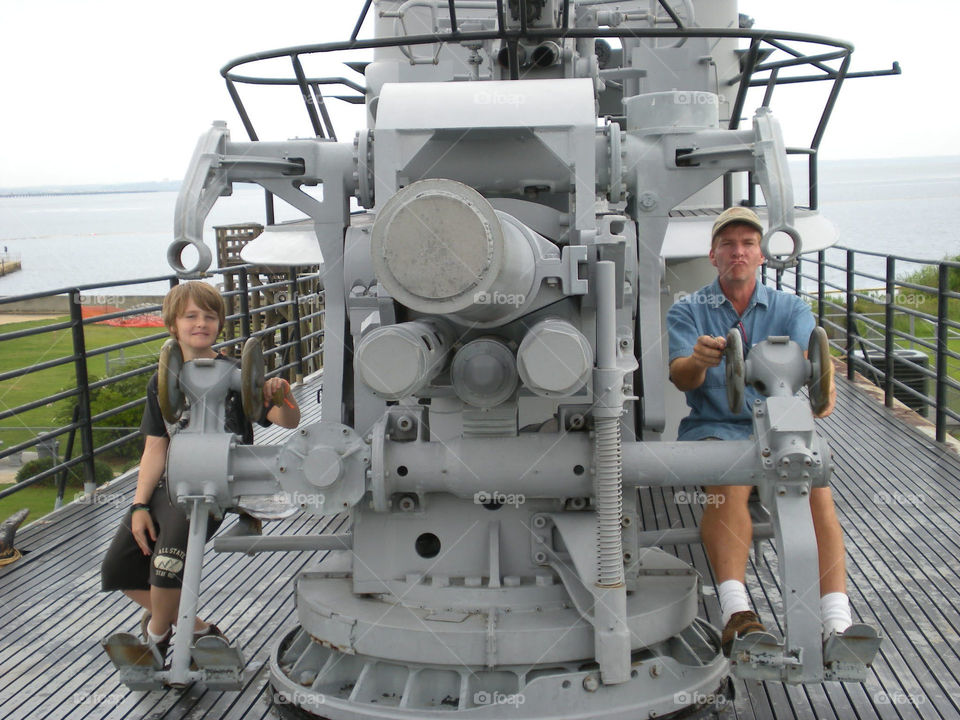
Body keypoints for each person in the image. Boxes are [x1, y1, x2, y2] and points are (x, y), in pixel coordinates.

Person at [667, 206, 848, 656]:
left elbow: (815, 362)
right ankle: (737, 612)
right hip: (715, 425)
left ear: (761, 255)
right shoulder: (688, 311)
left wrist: (826, 387)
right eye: (728, 244)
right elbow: (680, 377)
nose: (738, 252)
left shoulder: (791, 310)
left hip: (783, 426)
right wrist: (699, 362)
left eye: (748, 244)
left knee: (817, 492)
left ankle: (838, 621)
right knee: (729, 482)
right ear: (713, 255)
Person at [101, 281, 300, 659]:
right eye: (190, 315)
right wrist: (139, 506)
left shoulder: (238, 375)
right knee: (118, 571)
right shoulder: (162, 382)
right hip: (169, 483)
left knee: (166, 566)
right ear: (172, 324)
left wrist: (281, 396)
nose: (201, 323)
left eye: (209, 316)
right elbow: (155, 447)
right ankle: (200, 630)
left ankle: (156, 638)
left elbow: (287, 420)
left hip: (213, 482)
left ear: (220, 324)